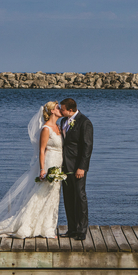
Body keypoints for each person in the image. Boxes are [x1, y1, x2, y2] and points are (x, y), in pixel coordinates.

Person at [0, 102, 64, 238]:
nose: (60, 109)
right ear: (51, 111)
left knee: (53, 196)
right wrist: (42, 169)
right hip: (50, 163)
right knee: (40, 194)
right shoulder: (46, 128)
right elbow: (41, 150)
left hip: (59, 163)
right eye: (57, 107)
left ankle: (47, 227)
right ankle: (27, 225)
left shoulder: (59, 127)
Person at [57, 98, 93, 241]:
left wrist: (82, 167)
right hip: (65, 167)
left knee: (80, 197)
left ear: (70, 110)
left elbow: (87, 147)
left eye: (63, 109)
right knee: (68, 198)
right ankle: (71, 228)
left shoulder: (85, 122)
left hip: (77, 167)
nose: (60, 111)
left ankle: (81, 230)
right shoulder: (63, 121)